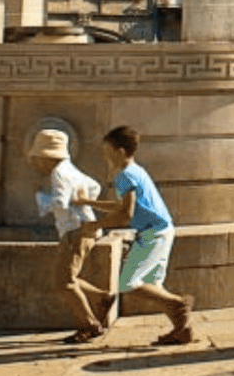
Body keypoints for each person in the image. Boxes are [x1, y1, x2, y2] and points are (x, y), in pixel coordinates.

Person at [80, 125, 195, 345]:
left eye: (107, 152)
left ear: (120, 152)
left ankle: (179, 303)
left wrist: (95, 225)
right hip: (162, 230)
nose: (105, 157)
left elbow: (126, 213)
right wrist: (89, 203)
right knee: (153, 284)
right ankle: (182, 329)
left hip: (152, 233)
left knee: (128, 283)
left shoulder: (123, 176)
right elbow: (122, 206)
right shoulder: (136, 171)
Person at [28, 128, 112, 345]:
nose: (36, 162)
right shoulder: (71, 169)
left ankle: (89, 326)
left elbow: (60, 203)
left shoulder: (58, 174)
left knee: (64, 282)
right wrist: (82, 200)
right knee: (67, 278)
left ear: (47, 157)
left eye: (38, 157)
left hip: (75, 231)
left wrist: (40, 196)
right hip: (86, 229)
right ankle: (101, 298)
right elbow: (94, 187)